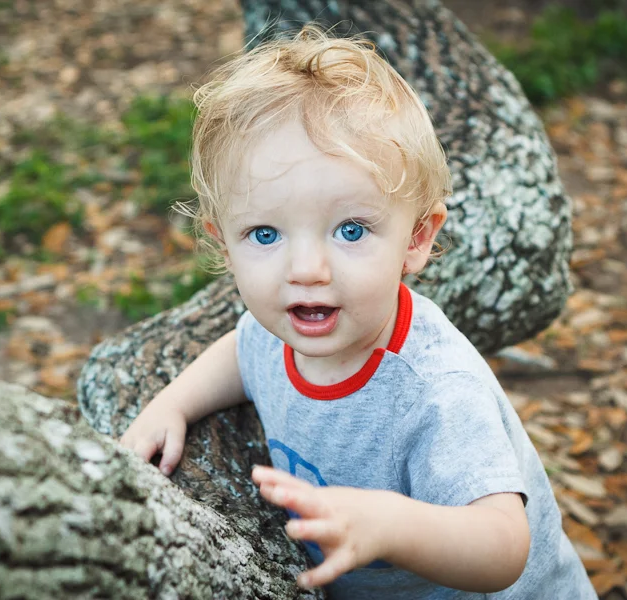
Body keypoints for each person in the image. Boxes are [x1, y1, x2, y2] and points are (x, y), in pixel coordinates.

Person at [120, 25, 597, 599]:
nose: (307, 269)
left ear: (418, 238)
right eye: (265, 233)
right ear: (225, 245)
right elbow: (242, 354)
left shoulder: (432, 388)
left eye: (350, 230)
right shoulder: (283, 328)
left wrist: (389, 524)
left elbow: (503, 547)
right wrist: (171, 403)